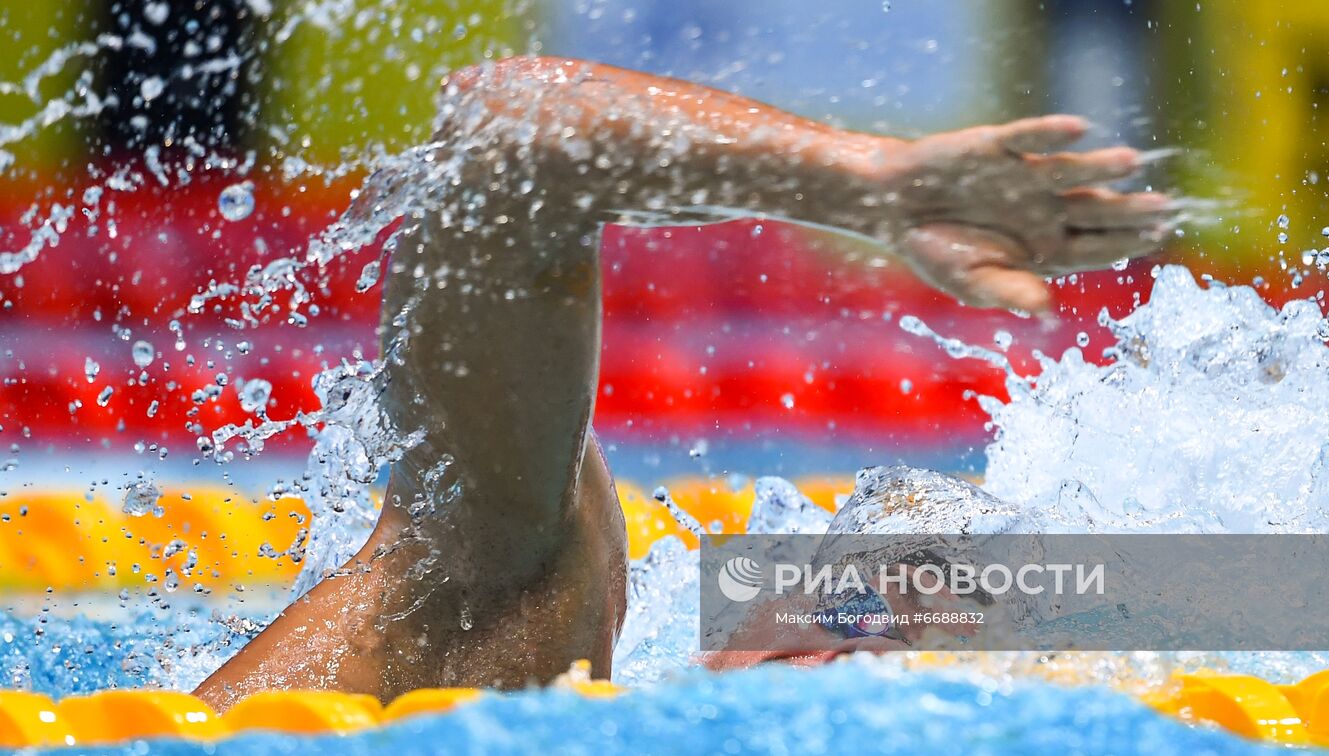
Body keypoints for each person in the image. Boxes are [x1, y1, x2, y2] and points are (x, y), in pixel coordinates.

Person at [192, 56, 1173, 709]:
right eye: (840, 614)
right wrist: (867, 184)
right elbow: (500, 134)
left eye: (894, 662)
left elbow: (1298, 596)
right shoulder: (506, 591)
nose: (843, 654)